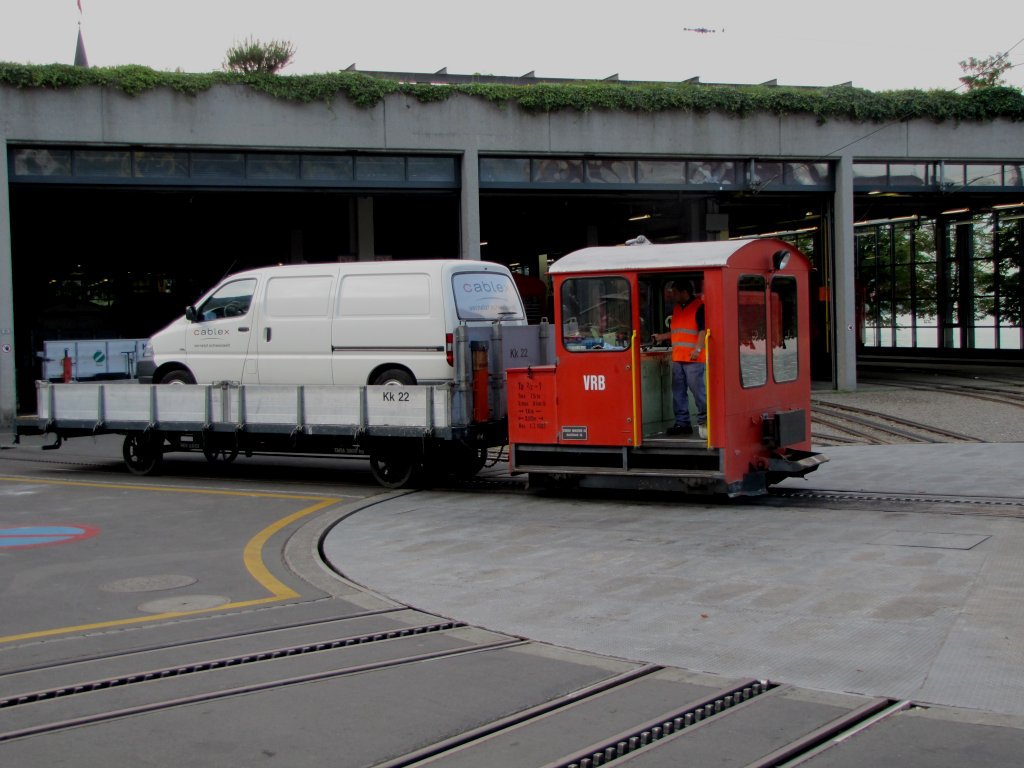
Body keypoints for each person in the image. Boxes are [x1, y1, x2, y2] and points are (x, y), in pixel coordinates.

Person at [652, 280, 706, 437]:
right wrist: (662, 337)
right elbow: (677, 332)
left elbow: (703, 331)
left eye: (675, 292)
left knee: (698, 392)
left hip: (694, 359)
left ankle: (705, 421)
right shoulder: (676, 309)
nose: (672, 294)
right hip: (678, 357)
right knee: (678, 392)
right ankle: (682, 423)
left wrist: (697, 349)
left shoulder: (699, 307)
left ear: (684, 292)